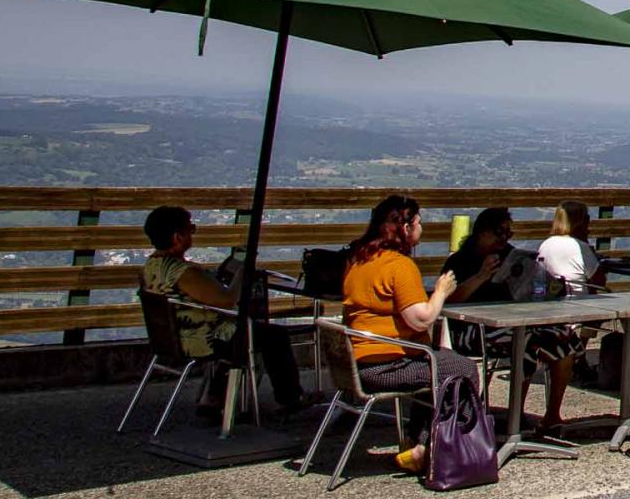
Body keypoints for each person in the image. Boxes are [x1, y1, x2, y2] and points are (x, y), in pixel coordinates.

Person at [341, 195, 477, 476]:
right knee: (463, 369)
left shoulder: (359, 259)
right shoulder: (399, 266)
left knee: (440, 364)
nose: (421, 228)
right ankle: (433, 449)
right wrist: (441, 291)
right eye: (418, 222)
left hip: (356, 362)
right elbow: (421, 319)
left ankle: (416, 440)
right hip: (386, 366)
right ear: (405, 228)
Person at [140, 206, 309, 416]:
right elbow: (227, 300)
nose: (193, 233)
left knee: (242, 333)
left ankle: (214, 397)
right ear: (177, 237)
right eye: (191, 229)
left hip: (173, 337)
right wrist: (242, 271)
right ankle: (290, 398)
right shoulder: (184, 272)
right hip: (202, 340)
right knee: (274, 337)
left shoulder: (151, 266)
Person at [441, 207, 583, 433]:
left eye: (508, 234)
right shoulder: (461, 261)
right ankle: (515, 416)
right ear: (482, 232)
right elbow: (447, 300)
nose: (504, 239)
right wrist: (482, 276)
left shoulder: (509, 255)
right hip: (471, 329)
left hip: (512, 324)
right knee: (525, 341)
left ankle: (552, 414)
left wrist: (544, 284)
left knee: (563, 337)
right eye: (499, 232)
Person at [537, 200, 603, 297]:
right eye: (587, 218)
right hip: (580, 301)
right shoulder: (581, 248)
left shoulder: (545, 244)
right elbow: (600, 282)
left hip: (551, 299)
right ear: (580, 222)